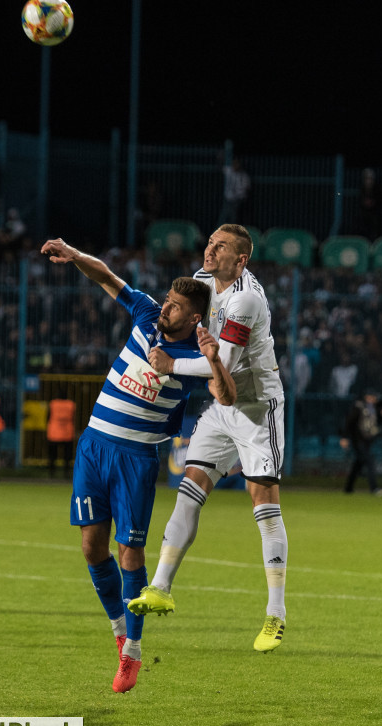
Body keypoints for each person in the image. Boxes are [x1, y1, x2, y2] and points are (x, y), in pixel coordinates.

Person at [40, 236, 236, 694]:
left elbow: (223, 389)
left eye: (175, 306)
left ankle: (133, 654)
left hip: (135, 457)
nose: (165, 308)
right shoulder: (146, 314)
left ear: (194, 318)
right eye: (167, 301)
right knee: (91, 548)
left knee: (130, 552)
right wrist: (73, 252)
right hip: (95, 445)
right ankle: (119, 630)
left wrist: (207, 359)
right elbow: (107, 276)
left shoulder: (195, 358)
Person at [128, 223, 289, 654]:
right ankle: (160, 586)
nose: (210, 250)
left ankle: (276, 614)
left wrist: (170, 366)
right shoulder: (201, 282)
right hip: (222, 407)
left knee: (264, 504)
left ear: (241, 260)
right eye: (210, 243)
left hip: (257, 408)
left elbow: (226, 362)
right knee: (189, 488)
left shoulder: (246, 298)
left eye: (221, 248)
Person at [339, 389, 382, 495]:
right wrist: (344, 437)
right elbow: (349, 421)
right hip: (358, 439)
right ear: (366, 397)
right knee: (370, 462)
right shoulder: (359, 407)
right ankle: (374, 488)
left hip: (367, 440)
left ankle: (348, 488)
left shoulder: (373, 409)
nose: (373, 399)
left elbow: (377, 423)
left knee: (358, 463)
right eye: (371, 397)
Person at [47, 388, 76, 479]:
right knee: (67, 456)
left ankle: (52, 472)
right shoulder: (71, 404)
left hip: (53, 432)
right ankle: (66, 473)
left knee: (52, 455)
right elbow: (74, 417)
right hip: (67, 432)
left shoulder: (53, 403)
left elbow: (48, 416)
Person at [218, 158, 251, 225]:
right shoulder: (229, 171)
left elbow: (247, 188)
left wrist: (241, 194)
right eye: (234, 164)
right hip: (228, 199)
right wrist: (220, 158)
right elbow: (221, 167)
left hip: (237, 200)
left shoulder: (243, 176)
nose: (235, 165)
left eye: (237, 164)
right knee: (224, 217)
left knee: (233, 217)